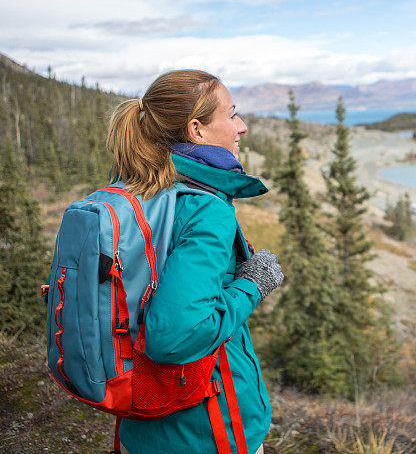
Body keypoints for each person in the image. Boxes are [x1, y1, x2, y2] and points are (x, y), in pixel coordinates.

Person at [105, 69, 283, 454]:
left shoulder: (135, 191)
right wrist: (253, 284)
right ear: (197, 130)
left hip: (143, 425)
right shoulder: (204, 209)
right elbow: (175, 337)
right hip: (205, 428)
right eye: (232, 114)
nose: (242, 126)